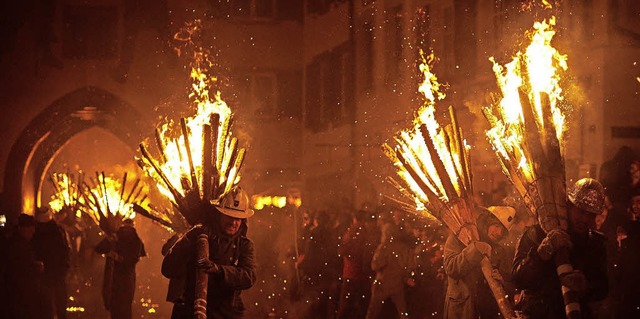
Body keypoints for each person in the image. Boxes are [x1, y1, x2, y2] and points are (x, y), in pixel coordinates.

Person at [512, 178, 608, 319]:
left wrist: (586, 286)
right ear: (569, 206)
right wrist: (540, 255)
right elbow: (518, 279)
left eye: (591, 215)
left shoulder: (594, 243)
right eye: (581, 212)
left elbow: (603, 287)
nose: (585, 219)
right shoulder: (536, 233)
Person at [162, 187, 257, 319]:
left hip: (226, 313)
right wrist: (187, 239)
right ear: (219, 215)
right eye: (229, 216)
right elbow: (168, 269)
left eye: (238, 218)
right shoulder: (198, 236)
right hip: (189, 311)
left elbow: (248, 276)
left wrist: (218, 270)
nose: (233, 222)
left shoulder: (244, 246)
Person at [442, 206, 514, 319]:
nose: (498, 232)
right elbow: (451, 268)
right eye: (496, 226)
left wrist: (501, 281)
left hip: (486, 312)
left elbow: (509, 283)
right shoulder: (459, 238)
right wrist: (475, 250)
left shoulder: (499, 251)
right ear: (487, 222)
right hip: (462, 310)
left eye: (502, 230)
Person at [365, 209, 416, 319]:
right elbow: (410, 265)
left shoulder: (383, 247)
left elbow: (375, 265)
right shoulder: (403, 247)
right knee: (403, 312)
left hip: (382, 283)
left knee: (372, 312)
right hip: (397, 284)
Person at [95, 218, 146, 319]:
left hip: (119, 278)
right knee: (122, 307)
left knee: (119, 307)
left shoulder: (133, 240)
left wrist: (118, 258)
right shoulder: (132, 239)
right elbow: (100, 249)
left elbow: (133, 259)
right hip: (120, 278)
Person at [337, 210, 376, 319]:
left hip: (351, 273)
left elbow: (342, 250)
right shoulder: (368, 232)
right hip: (363, 274)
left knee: (345, 306)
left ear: (354, 218)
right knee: (362, 306)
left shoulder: (352, 231)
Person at [33, 207, 70, 319]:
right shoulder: (58, 230)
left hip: (50, 272)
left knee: (49, 304)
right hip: (52, 272)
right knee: (55, 303)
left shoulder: (40, 231)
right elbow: (66, 250)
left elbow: (65, 251)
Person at [6, 213, 44, 319]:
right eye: (30, 229)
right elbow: (21, 268)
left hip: (20, 292)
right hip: (20, 293)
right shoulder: (18, 245)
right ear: (23, 229)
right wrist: (36, 267)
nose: (33, 232)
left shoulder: (20, 243)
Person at [613, 189, 640, 318]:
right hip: (631, 282)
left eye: (639, 202)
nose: (635, 206)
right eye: (633, 202)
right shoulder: (628, 227)